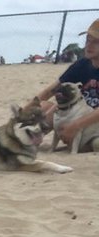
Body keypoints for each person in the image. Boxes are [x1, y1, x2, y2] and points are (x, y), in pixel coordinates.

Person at [34, 17, 99, 150]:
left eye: (96, 42)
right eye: (87, 40)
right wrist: (21, 115)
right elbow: (50, 91)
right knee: (43, 107)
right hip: (79, 113)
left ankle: (85, 144)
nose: (88, 45)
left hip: (93, 123)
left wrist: (75, 126)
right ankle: (26, 141)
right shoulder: (82, 64)